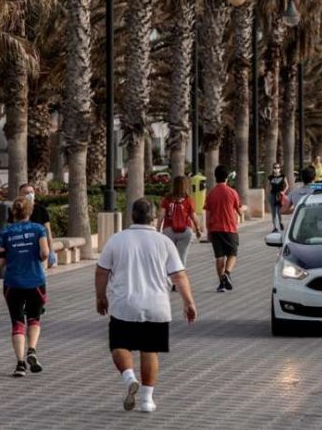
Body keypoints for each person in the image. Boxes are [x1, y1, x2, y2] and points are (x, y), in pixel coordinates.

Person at [96, 198, 197, 413]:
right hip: (157, 306)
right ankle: (147, 400)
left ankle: (129, 377)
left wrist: (101, 297)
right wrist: (188, 303)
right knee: (150, 350)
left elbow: (101, 271)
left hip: (124, 304)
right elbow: (179, 275)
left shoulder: (117, 240)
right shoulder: (164, 242)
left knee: (119, 345)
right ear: (153, 217)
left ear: (132, 216)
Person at [0, 197, 50, 377]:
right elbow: (45, 253)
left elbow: (0, 260)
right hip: (35, 280)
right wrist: (38, 258)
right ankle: (32, 350)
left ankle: (20, 365)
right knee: (34, 318)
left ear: (14, 212)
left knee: (17, 322)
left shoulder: (6, 232)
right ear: (30, 211)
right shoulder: (38, 229)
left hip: (13, 282)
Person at [204, 165, 243, 293]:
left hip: (215, 229)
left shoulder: (211, 194)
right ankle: (227, 273)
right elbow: (239, 211)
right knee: (232, 253)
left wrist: (208, 230)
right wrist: (244, 211)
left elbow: (208, 214)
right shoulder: (232, 192)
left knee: (219, 257)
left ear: (215, 177)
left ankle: (221, 283)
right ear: (227, 177)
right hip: (230, 228)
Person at [158, 176, 202, 272]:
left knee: (169, 256)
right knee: (182, 256)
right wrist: (198, 230)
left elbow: (161, 216)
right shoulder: (188, 200)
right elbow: (194, 217)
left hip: (168, 231)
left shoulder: (167, 199)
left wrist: (158, 230)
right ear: (186, 186)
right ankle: (179, 277)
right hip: (185, 231)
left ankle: (170, 277)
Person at [9, 183, 56, 268]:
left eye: (31, 192)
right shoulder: (14, 210)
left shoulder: (41, 210)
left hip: (37, 251)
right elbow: (10, 230)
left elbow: (48, 232)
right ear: (20, 195)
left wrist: (51, 251)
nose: (29, 195)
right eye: (26, 193)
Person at [266, 162, 289, 232]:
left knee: (279, 211)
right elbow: (267, 186)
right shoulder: (270, 177)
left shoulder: (283, 176)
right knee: (273, 212)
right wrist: (268, 194)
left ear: (280, 169)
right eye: (275, 168)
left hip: (280, 195)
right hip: (272, 195)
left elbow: (287, 185)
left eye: (277, 168)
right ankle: (275, 227)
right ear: (273, 169)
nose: (276, 169)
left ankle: (280, 222)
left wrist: (284, 192)